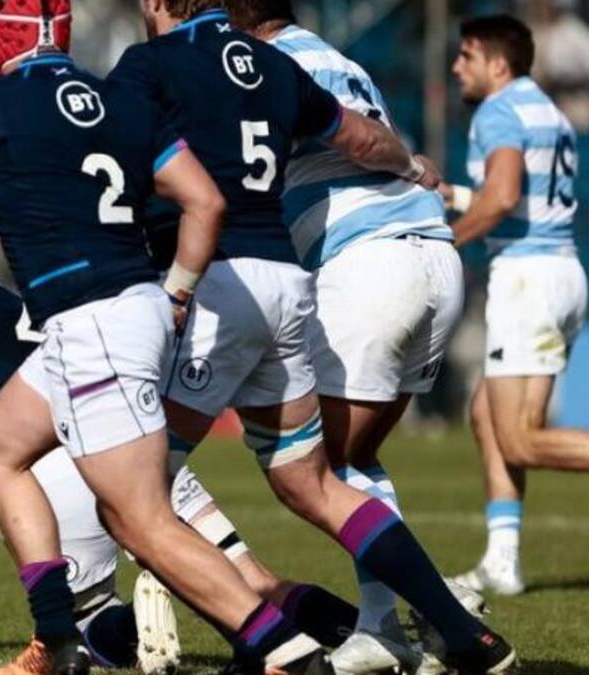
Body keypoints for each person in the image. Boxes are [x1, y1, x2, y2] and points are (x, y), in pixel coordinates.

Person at [0, 2, 333, 673]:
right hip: (123, 307)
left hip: (90, 319)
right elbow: (206, 200)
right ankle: (59, 638)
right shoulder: (117, 99)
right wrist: (179, 293)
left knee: (140, 520)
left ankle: (286, 649)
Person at [109, 1, 515, 672]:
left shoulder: (158, 63)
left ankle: (263, 640)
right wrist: (414, 166)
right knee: (319, 476)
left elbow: (124, 159)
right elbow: (360, 137)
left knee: (136, 485)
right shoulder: (305, 60)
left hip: (262, 277)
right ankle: (451, 629)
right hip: (334, 273)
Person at [222, 1, 467, 671]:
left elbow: (346, 145)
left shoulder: (264, 63)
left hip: (368, 263)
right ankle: (407, 619)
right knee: (356, 460)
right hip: (433, 257)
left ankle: (419, 617)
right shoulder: (341, 59)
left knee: (319, 470)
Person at [442, 15, 587, 597]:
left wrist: (445, 238)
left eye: (468, 56)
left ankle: (503, 561)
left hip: (526, 279)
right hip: (563, 273)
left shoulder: (497, 112)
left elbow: (502, 198)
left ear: (497, 64)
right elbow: (518, 193)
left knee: (521, 439)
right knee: (486, 414)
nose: (458, 66)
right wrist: (452, 194)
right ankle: (502, 560)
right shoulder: (545, 110)